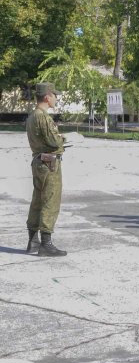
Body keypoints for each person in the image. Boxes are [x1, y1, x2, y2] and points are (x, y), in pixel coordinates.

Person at [26, 82, 68, 257]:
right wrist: (63, 138)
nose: (56, 98)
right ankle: (46, 244)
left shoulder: (32, 116)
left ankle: (33, 241)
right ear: (47, 96)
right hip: (49, 163)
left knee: (37, 200)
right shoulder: (43, 116)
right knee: (51, 200)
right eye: (54, 95)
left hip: (38, 161)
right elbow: (53, 142)